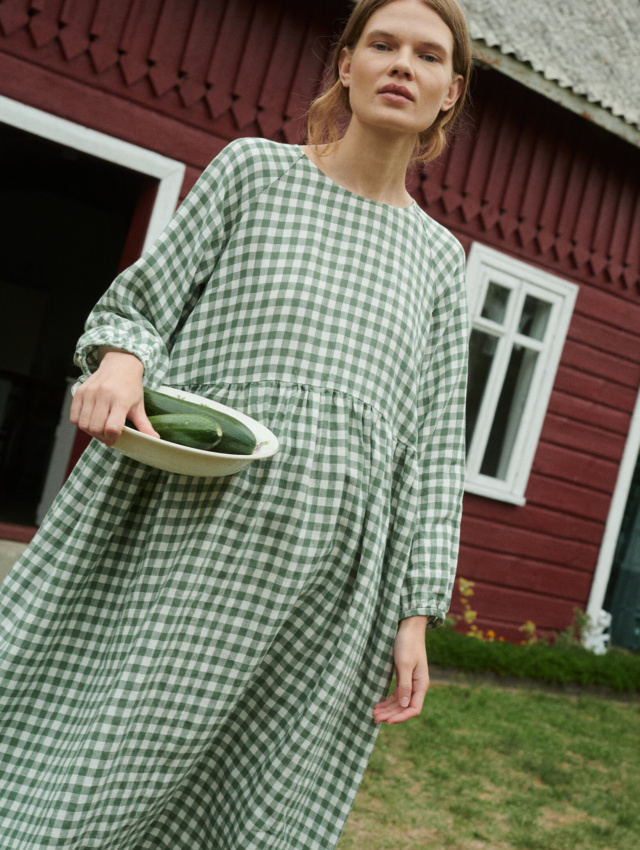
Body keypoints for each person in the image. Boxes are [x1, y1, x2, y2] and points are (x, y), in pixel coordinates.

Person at [0, 0, 472, 847]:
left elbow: (433, 454)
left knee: (249, 795)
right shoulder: (253, 172)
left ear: (450, 93)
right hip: (185, 527)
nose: (403, 64)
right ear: (346, 65)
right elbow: (141, 307)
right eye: (383, 45)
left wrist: (413, 616)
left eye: (428, 56)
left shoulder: (441, 260)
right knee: (107, 758)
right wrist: (120, 360)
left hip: (325, 578)